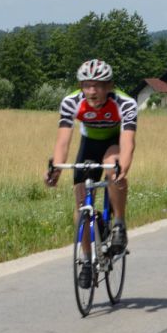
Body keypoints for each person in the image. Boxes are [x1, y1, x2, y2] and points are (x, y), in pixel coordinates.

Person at [46, 59, 137, 288]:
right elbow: (63, 141)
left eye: (98, 85)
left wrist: (122, 169)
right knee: (80, 204)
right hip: (89, 144)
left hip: (114, 143)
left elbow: (128, 142)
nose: (92, 91)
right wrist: (56, 168)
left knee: (111, 165)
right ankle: (86, 260)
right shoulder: (71, 102)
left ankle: (118, 223)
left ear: (109, 86)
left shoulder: (124, 103)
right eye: (87, 85)